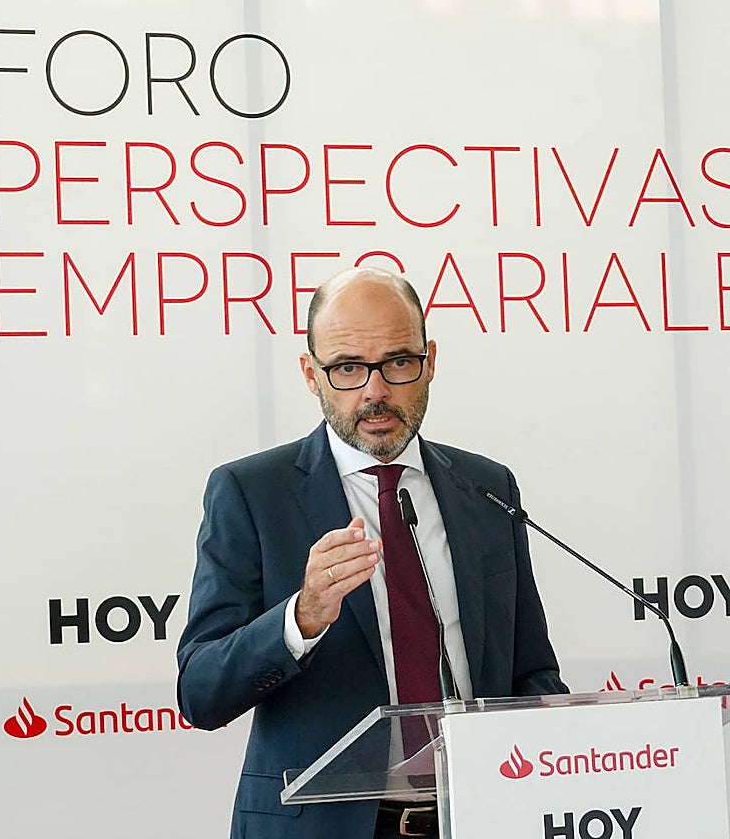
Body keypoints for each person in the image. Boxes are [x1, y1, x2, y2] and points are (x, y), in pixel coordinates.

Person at [176, 267, 567, 839]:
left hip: (482, 818)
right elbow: (201, 693)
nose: (375, 390)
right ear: (311, 374)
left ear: (430, 362)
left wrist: (575, 744)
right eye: (348, 368)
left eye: (398, 362)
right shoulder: (252, 493)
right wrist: (301, 617)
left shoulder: (487, 489)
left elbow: (530, 670)